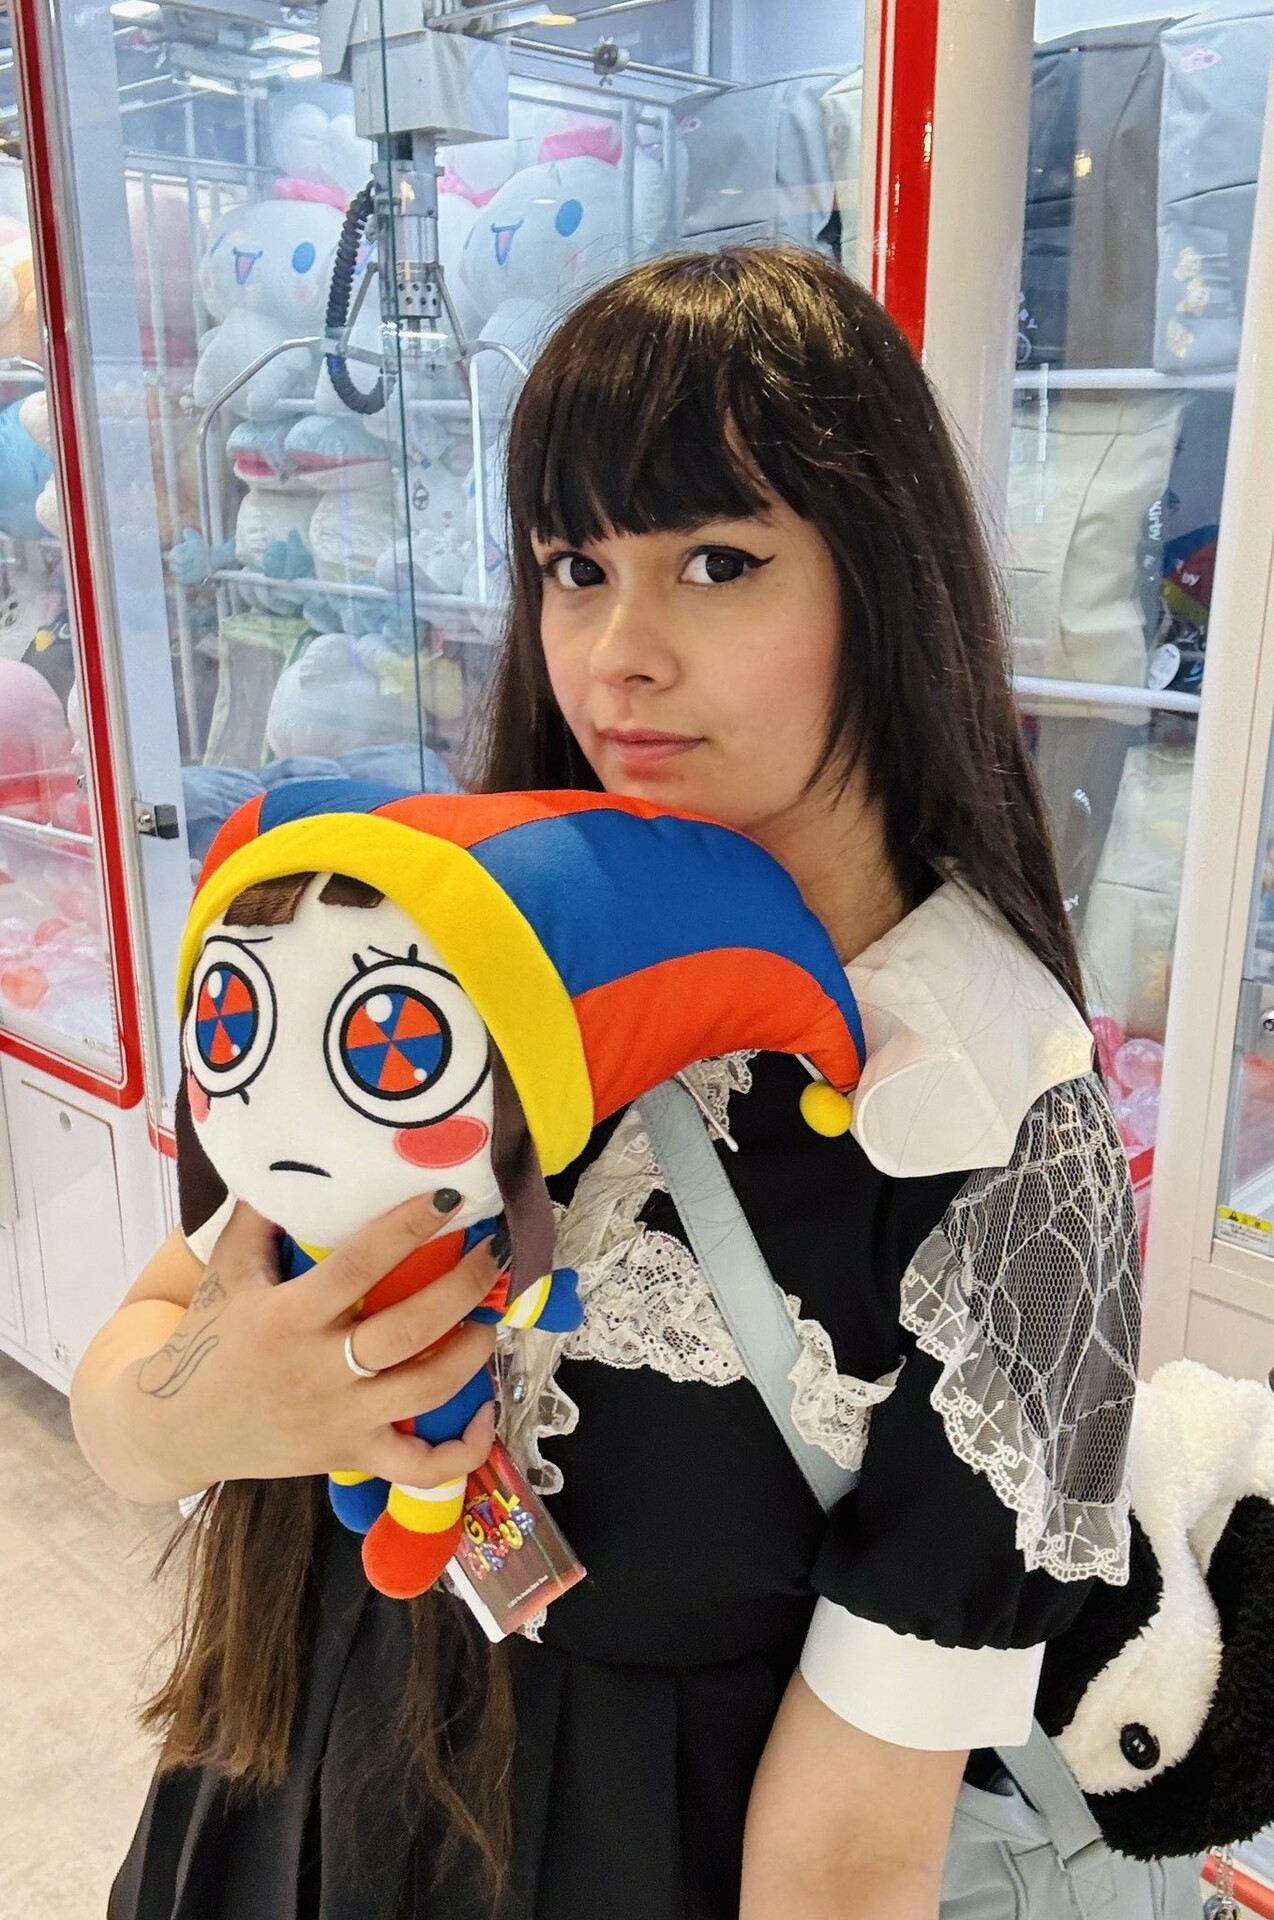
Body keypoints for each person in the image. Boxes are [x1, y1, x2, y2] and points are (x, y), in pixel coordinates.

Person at [73, 245, 1141, 1920]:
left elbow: (851, 1851)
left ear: (884, 582)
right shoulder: (456, 918)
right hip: (273, 1802)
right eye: (575, 567)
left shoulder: (991, 1112)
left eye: (719, 563)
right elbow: (132, 1382)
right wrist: (220, 1406)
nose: (618, 655)